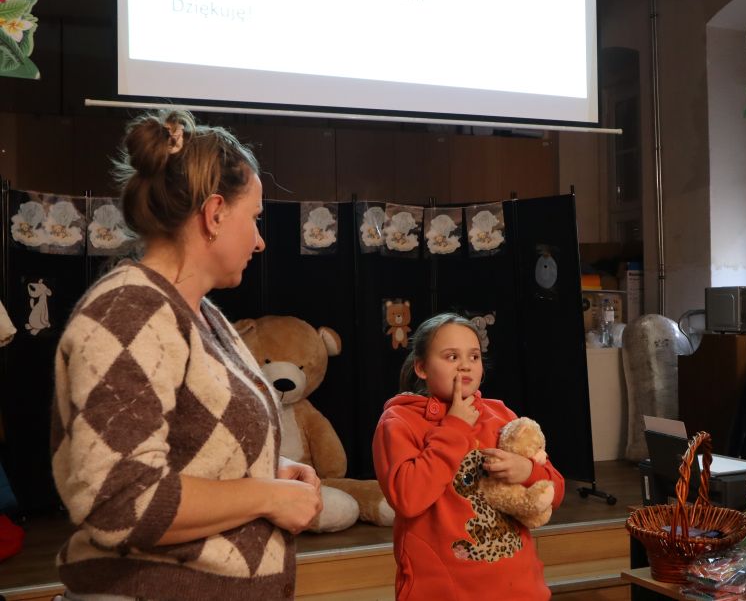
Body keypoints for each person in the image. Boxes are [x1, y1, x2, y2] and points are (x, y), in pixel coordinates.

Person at [51, 109, 323, 601]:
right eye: (255, 218)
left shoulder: (199, 314)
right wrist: (266, 495)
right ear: (215, 213)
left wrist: (268, 468)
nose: (260, 240)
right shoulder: (129, 311)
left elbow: (191, 450)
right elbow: (123, 501)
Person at [373, 313, 565, 600]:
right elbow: (408, 498)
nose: (465, 365)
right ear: (421, 367)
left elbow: (556, 490)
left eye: (474, 356)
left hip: (521, 588)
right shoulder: (399, 421)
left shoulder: (502, 415)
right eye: (451, 357)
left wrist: (527, 471)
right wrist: (454, 427)